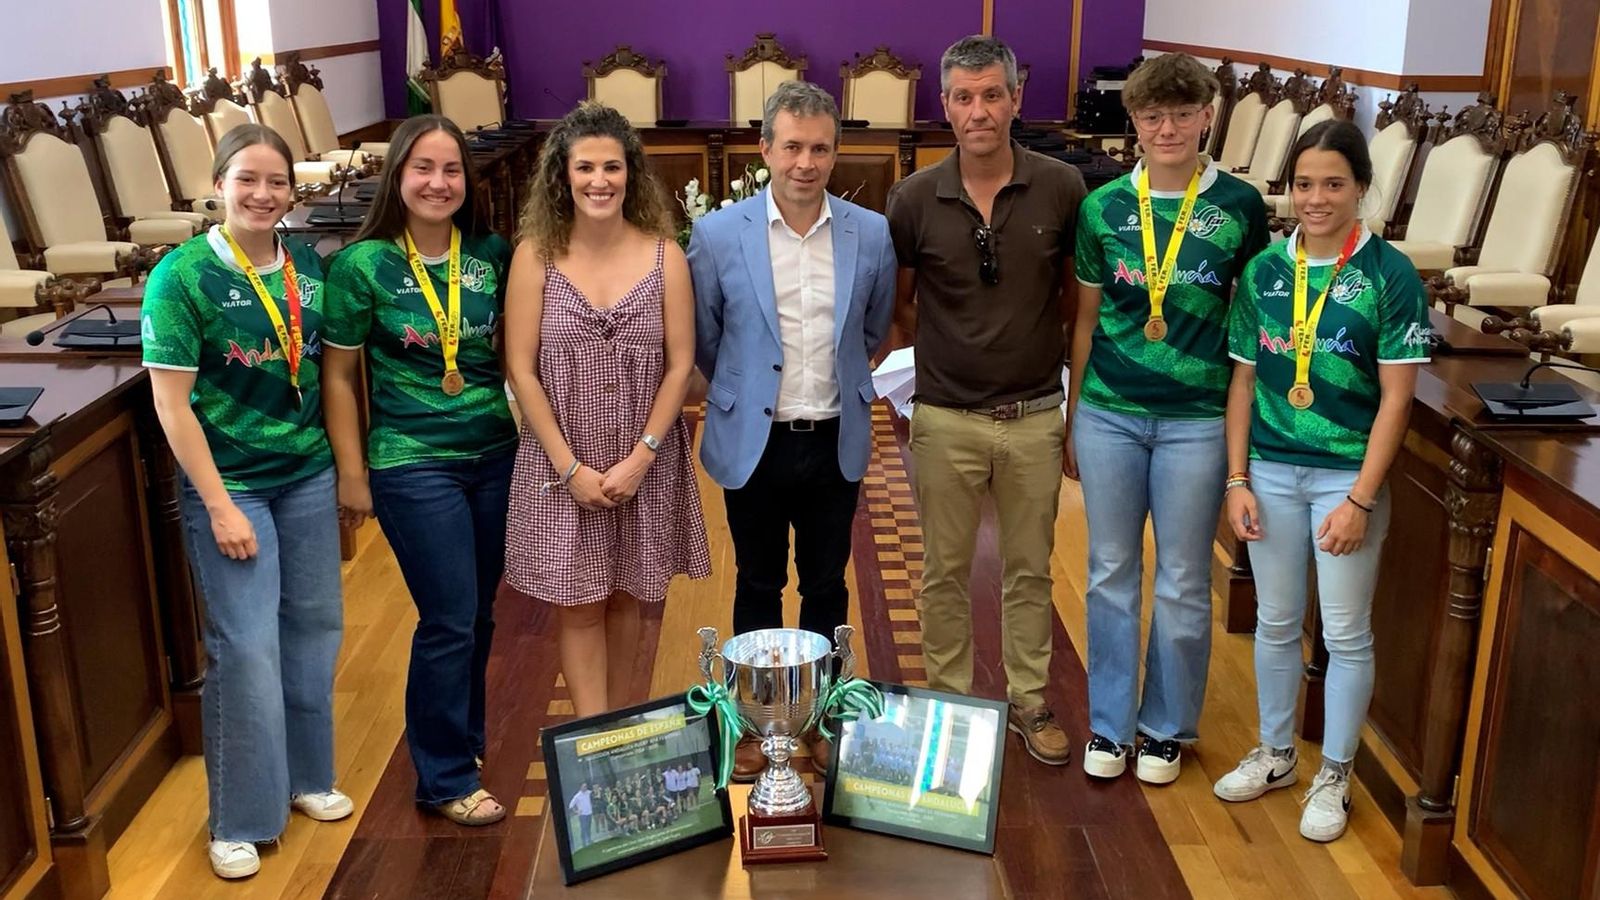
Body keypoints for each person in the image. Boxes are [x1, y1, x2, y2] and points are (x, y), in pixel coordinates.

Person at [141, 123, 351, 880]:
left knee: (315, 630)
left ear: (293, 191)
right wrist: (219, 506)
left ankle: (309, 777)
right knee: (247, 648)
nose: (263, 194)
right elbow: (172, 407)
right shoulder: (180, 277)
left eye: (277, 182)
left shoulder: (307, 263)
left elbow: (326, 369)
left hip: (306, 475)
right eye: (247, 179)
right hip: (231, 487)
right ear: (218, 185)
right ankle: (239, 819)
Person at [1212, 119, 1428, 842]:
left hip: (1345, 479)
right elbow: (1243, 382)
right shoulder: (1264, 273)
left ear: (1361, 187)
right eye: (1304, 184)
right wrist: (1236, 480)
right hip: (1271, 470)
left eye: (1333, 184)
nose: (1315, 199)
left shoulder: (1390, 276)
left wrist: (1361, 499)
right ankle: (1275, 753)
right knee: (1276, 621)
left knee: (1344, 631)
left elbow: (1397, 399)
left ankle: (1334, 774)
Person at [1067, 52, 1270, 784]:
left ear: (1207, 117)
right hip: (1110, 414)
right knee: (1109, 572)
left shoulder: (1241, 207)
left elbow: (1254, 321)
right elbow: (1085, 320)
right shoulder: (1103, 207)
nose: (1169, 129)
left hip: (1198, 419)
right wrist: (1074, 414)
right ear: (1134, 121)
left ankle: (1164, 729)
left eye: (1184, 114)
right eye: (1154, 116)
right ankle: (1110, 724)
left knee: (1184, 579)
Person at [687, 80, 897, 781]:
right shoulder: (719, 235)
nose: (806, 163)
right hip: (756, 440)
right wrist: (746, 390)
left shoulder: (871, 233)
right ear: (765, 148)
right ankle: (757, 723)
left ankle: (821, 716)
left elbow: (872, 329)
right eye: (792, 147)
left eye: (820, 149)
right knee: (757, 582)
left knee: (827, 584)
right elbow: (708, 338)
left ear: (836, 153)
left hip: (834, 435)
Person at [885, 35, 1086, 766]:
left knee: (1030, 569)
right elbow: (901, 306)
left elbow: (1073, 303)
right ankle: (951, 704)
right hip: (945, 418)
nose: (979, 111)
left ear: (1015, 98)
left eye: (992, 95)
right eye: (964, 97)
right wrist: (957, 355)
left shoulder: (1062, 187)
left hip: (1034, 415)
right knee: (943, 572)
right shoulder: (913, 197)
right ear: (945, 105)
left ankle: (1029, 700)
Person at [322, 115, 514, 826]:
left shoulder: (492, 253)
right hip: (411, 459)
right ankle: (442, 777)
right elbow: (339, 377)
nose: (438, 183)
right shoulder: (361, 266)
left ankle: (464, 742)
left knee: (479, 613)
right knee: (449, 617)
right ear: (397, 176)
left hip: (495, 453)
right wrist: (352, 472)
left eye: (451, 169)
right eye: (423, 169)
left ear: (469, 179)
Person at [503, 102, 710, 717]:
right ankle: (594, 737)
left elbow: (681, 365)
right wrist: (568, 468)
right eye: (585, 167)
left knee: (629, 599)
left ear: (631, 174)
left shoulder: (665, 256)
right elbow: (521, 369)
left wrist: (642, 459)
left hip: (642, 459)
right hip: (562, 461)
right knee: (579, 604)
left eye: (612, 167)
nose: (600, 180)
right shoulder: (535, 255)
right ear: (562, 176)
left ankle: (623, 726)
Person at [569, 782, 594, 849]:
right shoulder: (577, 796)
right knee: (583, 828)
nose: (585, 787)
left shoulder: (588, 792)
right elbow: (571, 805)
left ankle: (589, 839)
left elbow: (594, 792)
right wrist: (576, 811)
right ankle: (583, 842)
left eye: (586, 786)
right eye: (584, 786)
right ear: (580, 787)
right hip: (582, 815)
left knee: (588, 827)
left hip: (589, 813)